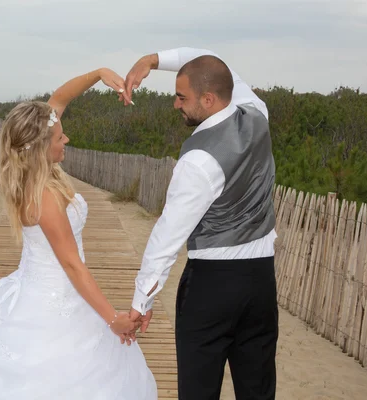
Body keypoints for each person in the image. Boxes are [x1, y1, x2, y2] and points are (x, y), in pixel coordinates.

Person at [0, 67, 157, 400]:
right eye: (60, 138)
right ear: (39, 148)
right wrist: (112, 318)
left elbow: (59, 99)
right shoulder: (44, 196)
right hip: (56, 299)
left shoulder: (35, 172)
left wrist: (99, 75)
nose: (66, 139)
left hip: (46, 289)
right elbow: (72, 265)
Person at [123, 47, 279, 400]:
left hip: (212, 286)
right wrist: (151, 61)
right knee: (258, 389)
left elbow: (167, 236)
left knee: (199, 390)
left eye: (182, 97)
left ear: (208, 99)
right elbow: (212, 60)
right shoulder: (258, 115)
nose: (176, 104)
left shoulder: (198, 160)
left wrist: (140, 303)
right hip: (261, 283)